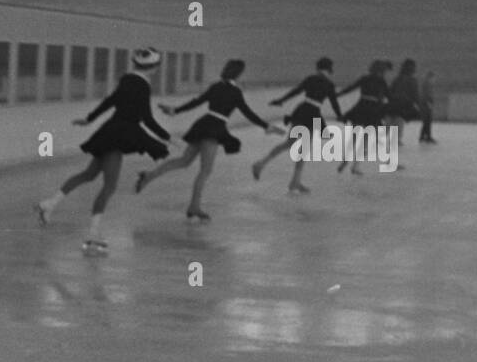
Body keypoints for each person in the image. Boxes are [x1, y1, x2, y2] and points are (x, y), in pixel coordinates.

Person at [36, 47, 171, 255]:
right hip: (120, 136)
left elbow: (111, 101)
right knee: (109, 186)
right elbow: (147, 118)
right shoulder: (143, 85)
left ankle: (49, 203)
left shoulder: (127, 79)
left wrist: (89, 119)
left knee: (89, 175)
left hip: (108, 131)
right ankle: (92, 235)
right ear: (154, 67)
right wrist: (168, 137)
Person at [137, 58, 283, 221]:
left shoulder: (216, 86)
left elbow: (197, 102)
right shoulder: (235, 92)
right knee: (205, 170)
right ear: (238, 74)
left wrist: (175, 110)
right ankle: (194, 206)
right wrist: (266, 127)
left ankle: (149, 176)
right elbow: (248, 113)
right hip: (215, 129)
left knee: (184, 161)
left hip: (202, 125)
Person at [251, 56, 343, 194]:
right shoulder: (329, 84)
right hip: (313, 114)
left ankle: (263, 164)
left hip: (301, 111)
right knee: (302, 150)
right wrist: (340, 116)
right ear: (329, 69)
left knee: (289, 143)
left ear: (318, 68)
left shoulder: (310, 79)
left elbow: (296, 91)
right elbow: (334, 103)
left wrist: (281, 100)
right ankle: (294, 181)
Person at [335, 60, 392, 176]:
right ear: (382, 71)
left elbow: (351, 88)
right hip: (373, 111)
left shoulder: (364, 78)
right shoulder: (382, 81)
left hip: (361, 108)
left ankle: (345, 161)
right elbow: (389, 96)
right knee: (365, 140)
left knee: (354, 138)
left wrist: (338, 94)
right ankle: (356, 166)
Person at [419, 70, 437, 144]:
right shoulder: (427, 84)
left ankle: (423, 136)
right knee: (427, 120)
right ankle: (427, 137)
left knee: (426, 121)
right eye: (433, 78)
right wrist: (429, 103)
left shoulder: (427, 84)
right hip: (426, 104)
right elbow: (427, 95)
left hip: (426, 103)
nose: (434, 80)